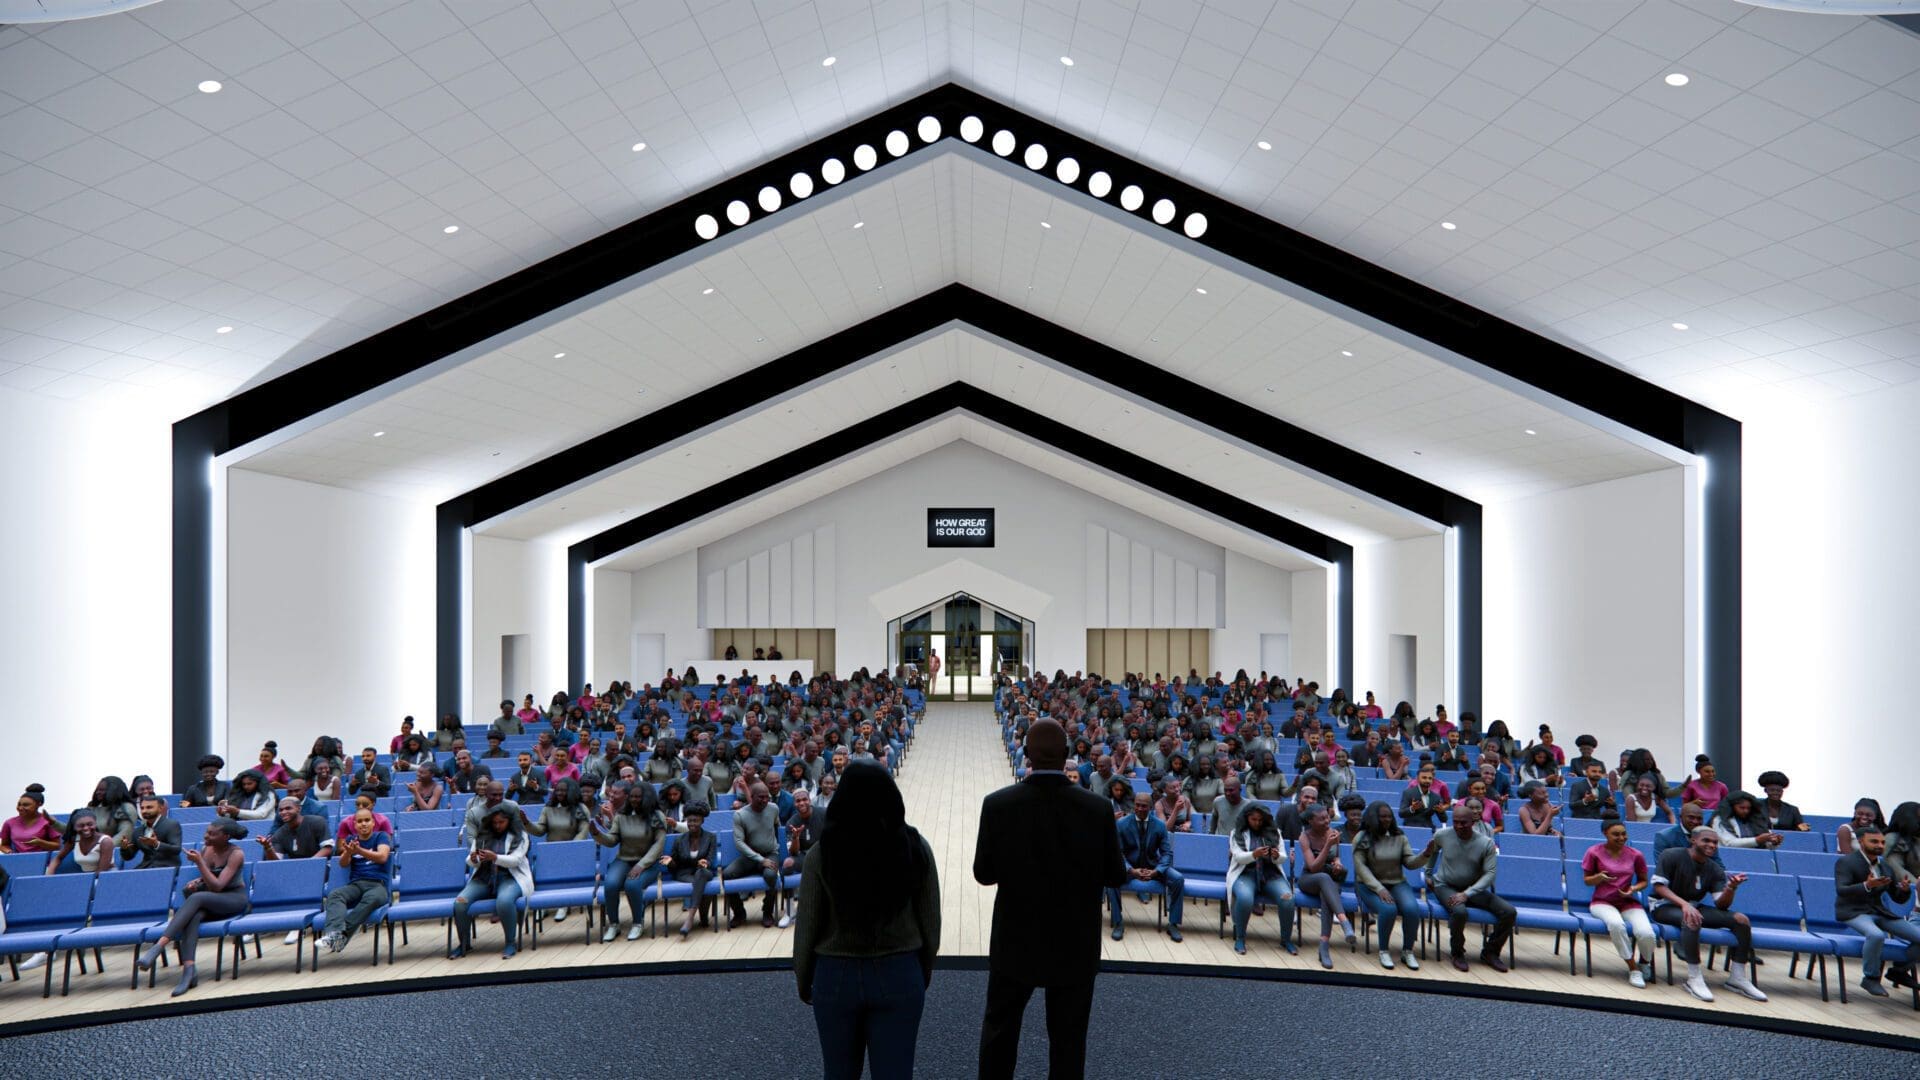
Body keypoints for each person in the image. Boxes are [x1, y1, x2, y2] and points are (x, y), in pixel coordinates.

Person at [973, 718, 1126, 1080]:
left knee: (1000, 1033)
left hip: (1015, 940)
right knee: (1068, 1042)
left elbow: (984, 874)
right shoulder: (1097, 809)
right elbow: (1115, 875)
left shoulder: (998, 805)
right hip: (1074, 943)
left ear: (1026, 754)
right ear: (1067, 754)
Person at [794, 762, 940, 1080]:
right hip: (900, 970)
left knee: (838, 1073)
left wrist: (803, 977)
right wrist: (923, 969)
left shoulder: (821, 854)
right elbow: (930, 922)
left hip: (835, 974)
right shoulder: (916, 847)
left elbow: (807, 925)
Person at [1649, 826, 1766, 1001]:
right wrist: (1684, 905)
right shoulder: (1671, 855)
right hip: (1663, 905)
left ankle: (1737, 977)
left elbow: (1721, 904)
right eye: (1706, 840)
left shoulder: (1714, 868)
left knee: (1741, 920)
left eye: (1715, 842)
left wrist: (1730, 889)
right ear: (1693, 840)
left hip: (1693, 906)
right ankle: (1694, 978)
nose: (1712, 845)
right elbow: (1659, 886)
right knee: (1692, 918)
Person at [137, 819, 250, 997]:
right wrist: (196, 882)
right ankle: (189, 971)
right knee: (194, 917)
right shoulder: (207, 849)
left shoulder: (236, 853)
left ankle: (159, 946)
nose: (206, 836)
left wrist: (199, 863)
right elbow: (208, 879)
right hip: (212, 900)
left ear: (226, 836)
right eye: (207, 832)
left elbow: (218, 886)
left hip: (233, 899)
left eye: (212, 834)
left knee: (197, 898)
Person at [1427, 803, 1516, 973]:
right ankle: (1457, 952)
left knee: (1509, 912)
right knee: (1459, 912)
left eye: (1463, 823)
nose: (1459, 826)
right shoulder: (1442, 835)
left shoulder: (1485, 843)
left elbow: (1490, 874)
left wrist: (1467, 894)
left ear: (1473, 822)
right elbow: (1432, 851)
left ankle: (1490, 952)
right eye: (1456, 822)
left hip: (1472, 889)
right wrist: (1428, 874)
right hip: (1445, 885)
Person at [1834, 826, 1920, 997]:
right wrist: (1866, 885)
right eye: (1874, 841)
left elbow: (1898, 898)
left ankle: (1899, 970)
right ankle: (1871, 978)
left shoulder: (1885, 866)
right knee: (1876, 935)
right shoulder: (1846, 862)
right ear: (1861, 842)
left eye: (1882, 842)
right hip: (1854, 911)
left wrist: (1904, 890)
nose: (1879, 845)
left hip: (1879, 911)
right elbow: (1842, 890)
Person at [590, 781, 669, 942]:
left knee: (632, 885)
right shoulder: (621, 815)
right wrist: (597, 833)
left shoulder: (657, 816)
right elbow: (612, 840)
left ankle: (637, 923)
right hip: (624, 859)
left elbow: (658, 845)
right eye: (632, 796)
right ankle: (614, 924)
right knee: (611, 885)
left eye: (638, 797)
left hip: (648, 863)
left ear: (646, 797)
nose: (634, 800)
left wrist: (641, 865)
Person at [452, 804, 532, 959]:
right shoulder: (483, 834)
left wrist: (495, 857)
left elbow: (516, 860)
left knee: (504, 901)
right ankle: (464, 944)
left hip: (510, 877)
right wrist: (474, 859)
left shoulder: (520, 835)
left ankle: (510, 943)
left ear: (509, 821)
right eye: (494, 822)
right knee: (460, 902)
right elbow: (471, 859)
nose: (497, 826)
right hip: (484, 877)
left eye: (501, 822)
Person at [1582, 820, 1655, 990]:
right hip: (1602, 901)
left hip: (1628, 902)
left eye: (1623, 834)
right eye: (1616, 834)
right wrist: (1599, 877)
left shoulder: (1636, 854)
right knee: (1616, 925)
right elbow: (1587, 880)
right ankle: (1633, 968)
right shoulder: (1593, 852)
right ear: (1605, 834)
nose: (1621, 838)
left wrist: (1633, 889)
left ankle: (1645, 962)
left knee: (1646, 933)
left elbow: (1643, 881)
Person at [1354, 801, 1423, 970]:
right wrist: (1379, 889)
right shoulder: (1362, 837)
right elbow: (1361, 868)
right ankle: (1384, 950)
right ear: (1373, 818)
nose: (1387, 819)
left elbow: (1410, 863)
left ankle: (1408, 951)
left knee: (1412, 909)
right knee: (1388, 909)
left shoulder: (1399, 837)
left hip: (1397, 882)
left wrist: (1426, 855)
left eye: (1389, 816)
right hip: (1369, 885)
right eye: (1382, 816)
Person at [1109, 791, 1184, 943]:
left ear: (1150, 807)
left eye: (1144, 806)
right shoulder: (1122, 824)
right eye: (1137, 805)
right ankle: (1118, 922)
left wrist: (1157, 871)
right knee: (1111, 878)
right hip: (1130, 867)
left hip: (1153, 866)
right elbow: (1117, 853)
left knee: (1178, 879)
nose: (1140, 808)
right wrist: (1131, 870)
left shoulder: (1159, 825)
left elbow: (1166, 853)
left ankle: (1173, 924)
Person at [1228, 801, 1296, 956]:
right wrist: (1254, 854)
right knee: (1245, 898)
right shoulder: (1237, 832)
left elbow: (1283, 857)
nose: (1257, 823)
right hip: (1245, 873)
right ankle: (1240, 938)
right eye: (1254, 819)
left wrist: (1276, 856)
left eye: (1260, 820)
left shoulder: (1275, 832)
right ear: (1247, 818)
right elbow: (1238, 857)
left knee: (1287, 898)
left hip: (1270, 874)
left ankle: (1286, 939)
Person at [319, 808, 392, 954]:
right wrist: (348, 852)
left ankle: (339, 937)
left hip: (377, 885)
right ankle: (334, 932)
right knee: (335, 895)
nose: (363, 824)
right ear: (354, 825)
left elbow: (383, 857)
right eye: (359, 821)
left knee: (372, 898)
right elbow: (343, 863)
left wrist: (359, 851)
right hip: (356, 884)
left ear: (373, 822)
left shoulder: (381, 836)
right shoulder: (351, 840)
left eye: (367, 820)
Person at [1296, 803, 1355, 967]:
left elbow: (1336, 857)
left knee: (1326, 896)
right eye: (1321, 819)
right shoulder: (1304, 837)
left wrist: (1338, 864)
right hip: (1310, 879)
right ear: (1311, 821)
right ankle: (1344, 922)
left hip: (1330, 880)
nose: (1327, 821)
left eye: (1327, 817)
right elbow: (1313, 867)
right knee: (1323, 878)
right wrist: (1328, 845)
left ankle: (1324, 947)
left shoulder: (1334, 833)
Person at [724, 782, 783, 929]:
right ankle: (739, 913)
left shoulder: (774, 808)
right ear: (751, 796)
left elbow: (777, 827)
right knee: (727, 875)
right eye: (761, 797)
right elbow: (739, 842)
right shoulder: (740, 815)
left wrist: (774, 850)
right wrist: (759, 859)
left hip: (770, 854)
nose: (765, 800)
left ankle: (767, 912)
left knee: (771, 876)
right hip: (751, 856)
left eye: (767, 797)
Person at [664, 802, 720, 937]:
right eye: (689, 821)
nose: (692, 824)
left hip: (704, 871)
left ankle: (690, 918)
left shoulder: (710, 837)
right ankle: (702, 917)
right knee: (701, 881)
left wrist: (705, 863)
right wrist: (670, 862)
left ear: (702, 821)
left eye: (696, 821)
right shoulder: (680, 839)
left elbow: (711, 859)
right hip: (684, 874)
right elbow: (675, 865)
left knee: (701, 874)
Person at [121, 793, 182, 870]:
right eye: (142, 808)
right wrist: (124, 848)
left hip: (167, 868)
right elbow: (128, 857)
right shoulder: (138, 831)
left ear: (160, 808)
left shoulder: (172, 825)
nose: (144, 811)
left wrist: (156, 844)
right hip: (145, 868)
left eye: (149, 807)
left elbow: (176, 849)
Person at [49, 809, 115, 875]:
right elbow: (58, 858)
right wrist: (48, 876)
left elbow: (101, 872)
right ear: (74, 827)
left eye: (90, 824)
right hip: (87, 876)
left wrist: (85, 880)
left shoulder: (105, 841)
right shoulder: (74, 839)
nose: (86, 828)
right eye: (81, 826)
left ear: (95, 823)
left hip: (107, 876)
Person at [1, 786, 64, 853]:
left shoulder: (47, 821)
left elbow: (57, 846)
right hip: (18, 858)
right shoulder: (9, 823)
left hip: (43, 858)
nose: (20, 808)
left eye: (26, 805)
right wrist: (9, 852)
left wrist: (41, 843)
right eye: (19, 804)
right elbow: (4, 845)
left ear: (39, 804)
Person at [1714, 791, 1783, 849]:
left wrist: (1773, 842)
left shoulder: (1756, 821)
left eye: (1748, 808)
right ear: (1732, 806)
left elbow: (1766, 847)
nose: (1746, 811)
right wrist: (1757, 840)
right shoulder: (1720, 820)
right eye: (1742, 808)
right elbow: (1728, 843)